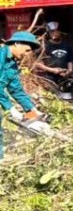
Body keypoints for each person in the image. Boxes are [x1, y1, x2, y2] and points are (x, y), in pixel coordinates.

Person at [1, 31, 43, 164]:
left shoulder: (12, 64)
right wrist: (11, 108)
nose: (26, 54)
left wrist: (31, 110)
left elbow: (16, 90)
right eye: (26, 50)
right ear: (17, 43)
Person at [35, 24, 73, 98]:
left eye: (57, 31)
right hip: (50, 79)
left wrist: (69, 71)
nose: (55, 33)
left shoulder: (66, 45)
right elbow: (37, 63)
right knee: (54, 100)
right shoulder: (45, 46)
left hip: (65, 79)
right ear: (49, 33)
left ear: (60, 32)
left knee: (67, 100)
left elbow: (70, 61)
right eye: (52, 31)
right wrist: (52, 70)